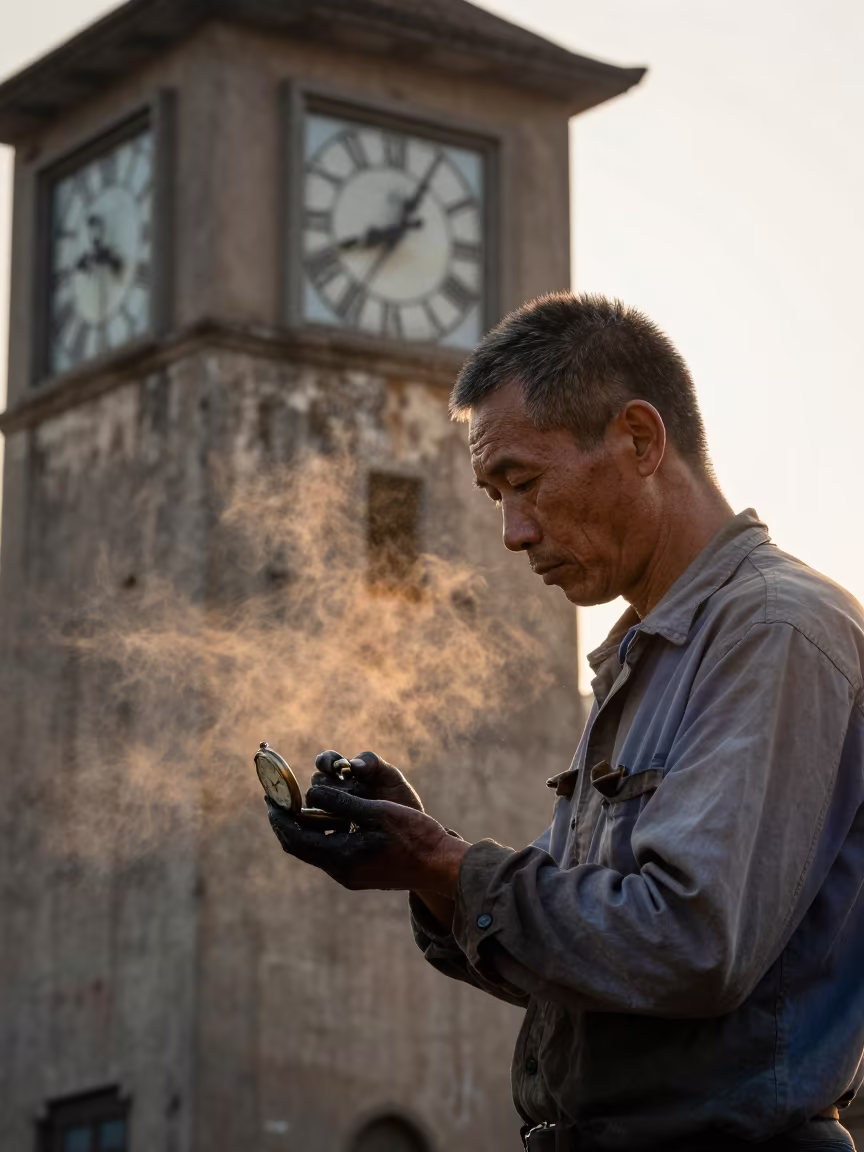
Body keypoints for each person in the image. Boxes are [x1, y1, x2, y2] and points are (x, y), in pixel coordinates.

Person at [266, 293, 864, 1152]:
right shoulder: (644, 657)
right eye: (492, 495)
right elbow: (601, 961)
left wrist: (448, 864)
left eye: (525, 482)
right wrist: (433, 868)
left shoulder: (775, 630)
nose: (513, 533)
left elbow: (692, 944)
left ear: (640, 439)